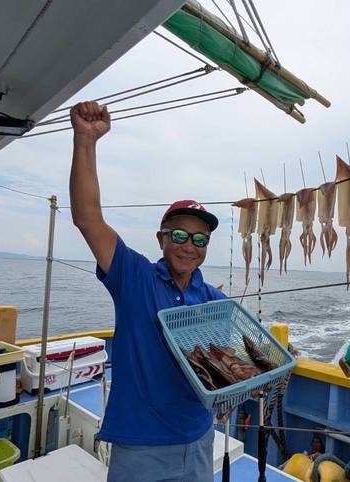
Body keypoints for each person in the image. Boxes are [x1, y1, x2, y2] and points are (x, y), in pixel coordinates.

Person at [69, 101, 225, 482]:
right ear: (161, 238)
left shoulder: (215, 301)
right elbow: (88, 218)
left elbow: (227, 366)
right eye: (180, 235)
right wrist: (86, 140)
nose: (189, 246)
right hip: (140, 448)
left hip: (199, 440)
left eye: (200, 239)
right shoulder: (135, 277)